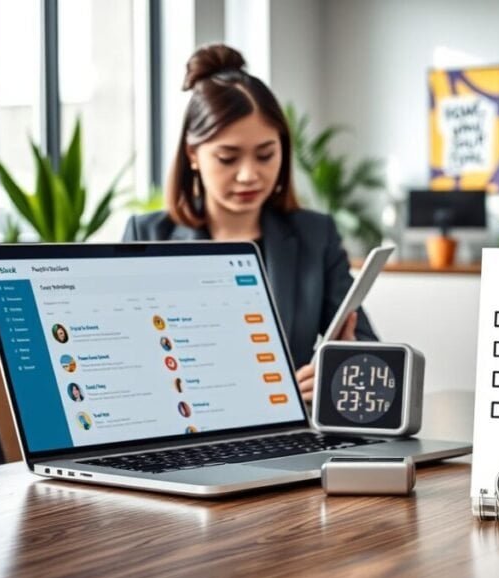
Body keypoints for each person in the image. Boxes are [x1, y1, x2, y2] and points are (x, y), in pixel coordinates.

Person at [123, 44, 377, 401]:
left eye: (265, 155)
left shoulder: (314, 235)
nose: (249, 175)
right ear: (193, 154)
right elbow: (128, 360)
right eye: (228, 158)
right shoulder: (147, 234)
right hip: (187, 430)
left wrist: (339, 368)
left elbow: (370, 354)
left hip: (289, 432)